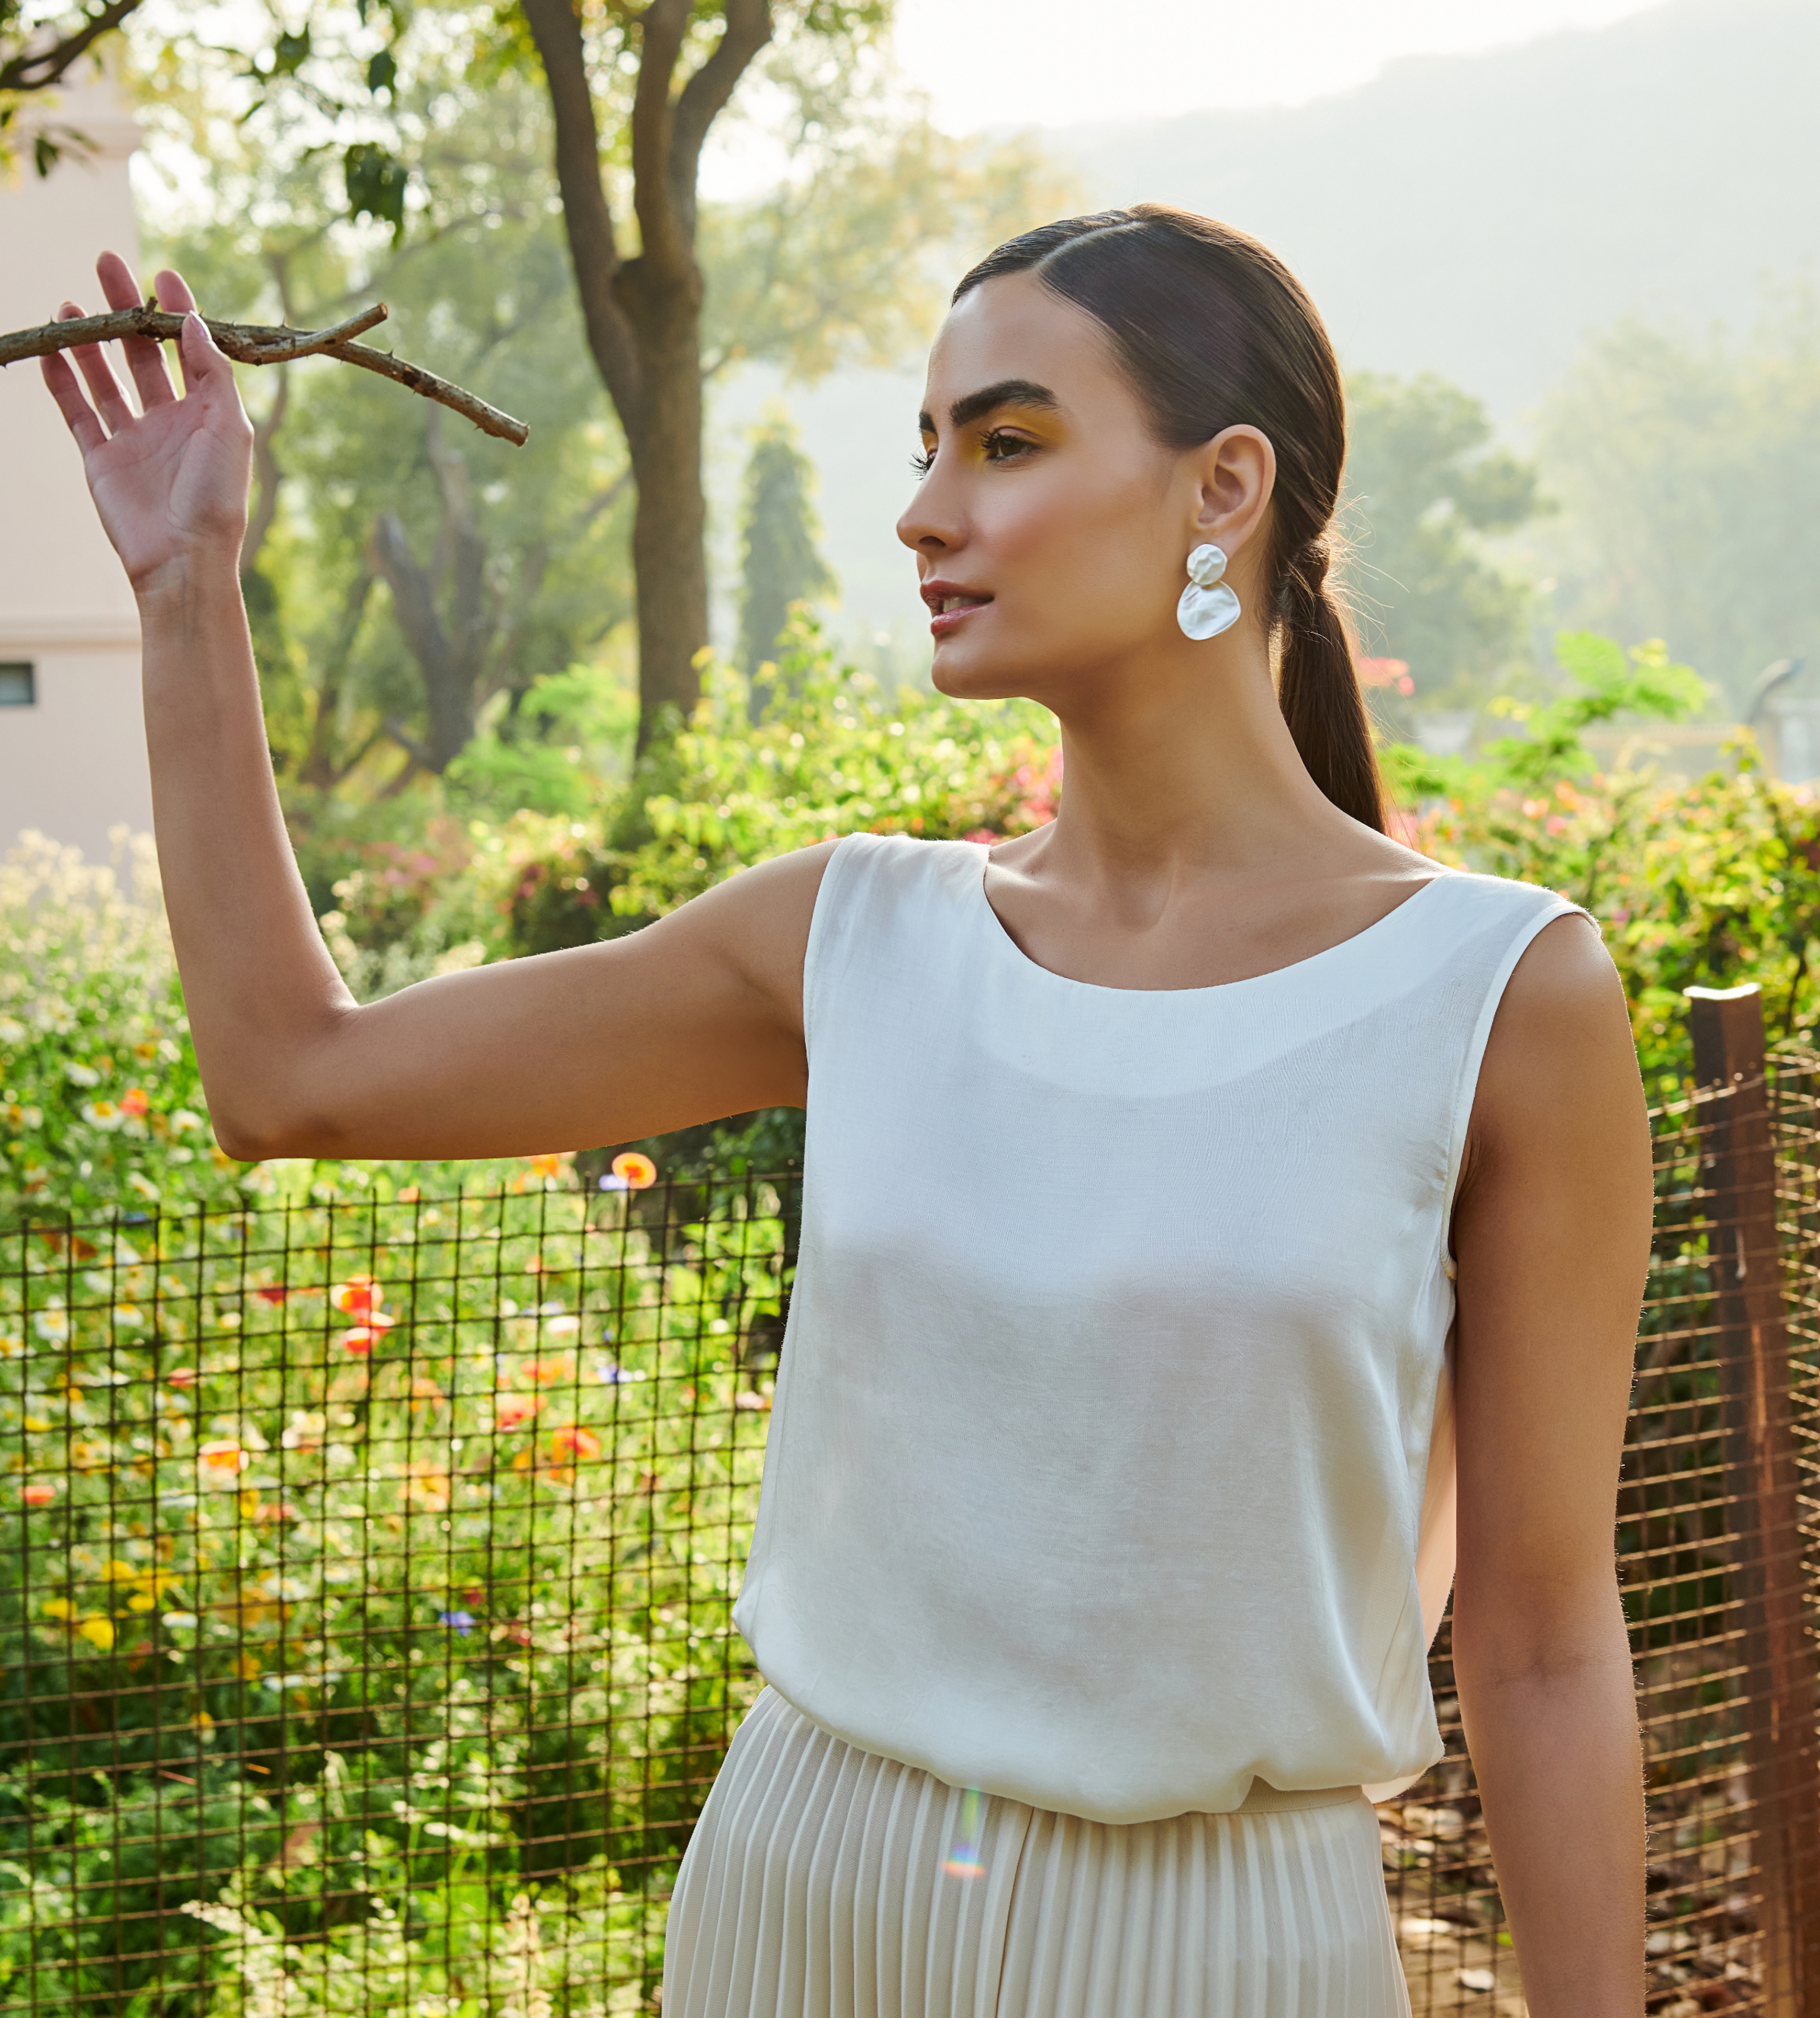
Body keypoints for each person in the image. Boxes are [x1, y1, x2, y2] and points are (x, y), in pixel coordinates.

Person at [45, 206, 1650, 2018]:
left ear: (1226, 491)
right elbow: (292, 1077)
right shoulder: (853, 941)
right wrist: (187, 587)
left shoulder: (1499, 1000)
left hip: (1223, 1947)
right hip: (796, 1905)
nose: (925, 511)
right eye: (929, 445)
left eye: (1009, 442)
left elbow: (1538, 1645)